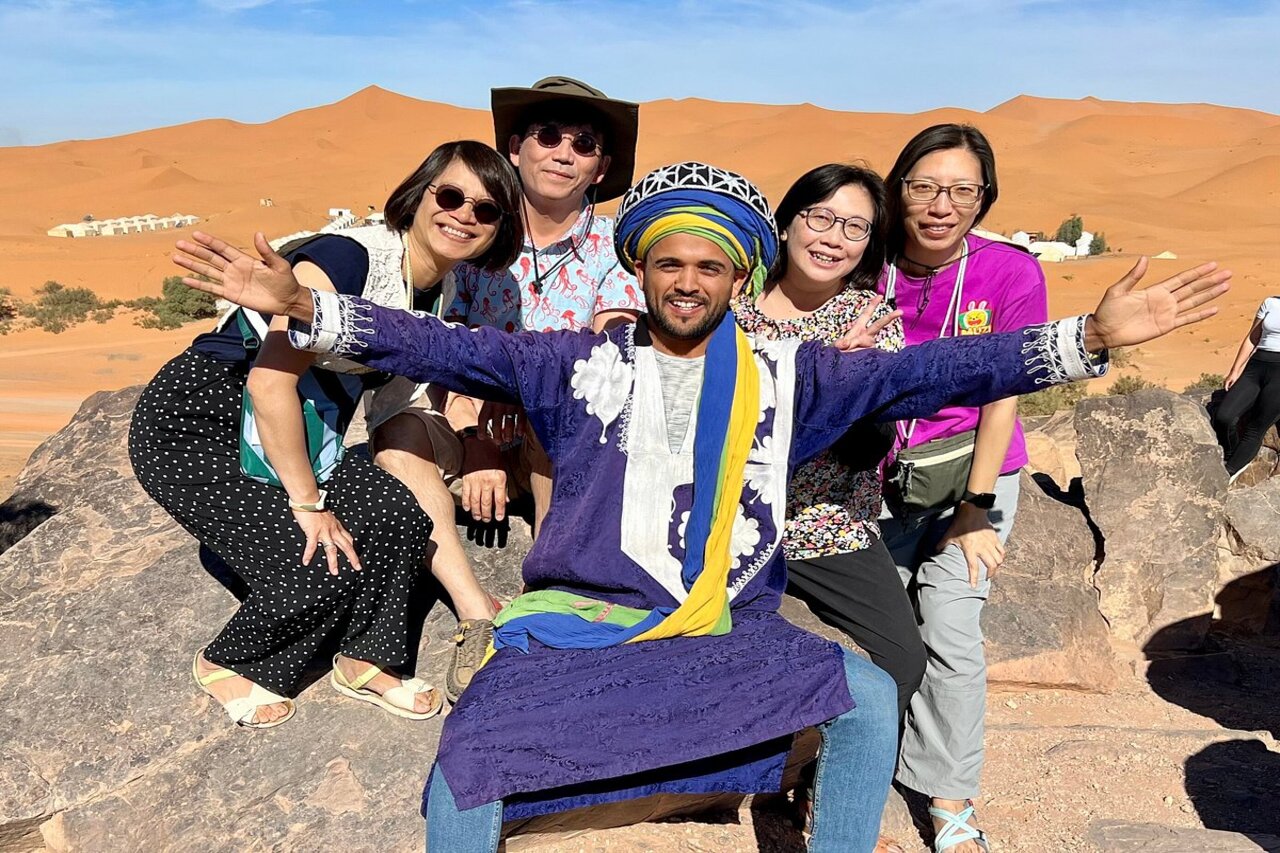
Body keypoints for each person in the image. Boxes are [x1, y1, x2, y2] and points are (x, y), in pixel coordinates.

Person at [171, 161, 1228, 852]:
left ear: (736, 275)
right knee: (470, 759)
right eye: (667, 261)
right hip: (584, 622)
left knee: (862, 692)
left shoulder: (792, 379)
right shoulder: (570, 362)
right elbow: (443, 344)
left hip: (721, 623)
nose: (685, 281)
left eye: (707, 265)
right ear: (644, 268)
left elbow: (935, 369)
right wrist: (308, 307)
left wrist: (1085, 340)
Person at [128, 140, 522, 729]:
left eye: (486, 210)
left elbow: (396, 402)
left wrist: (469, 444)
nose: (464, 215)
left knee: (401, 514)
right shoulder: (346, 258)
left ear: (497, 231)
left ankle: (369, 658)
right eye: (450, 196)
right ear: (418, 197)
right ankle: (228, 661)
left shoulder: (434, 295)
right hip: (203, 422)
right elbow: (267, 385)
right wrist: (309, 506)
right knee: (320, 567)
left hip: (308, 436)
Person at [874, 123, 1047, 852]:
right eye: (924, 185)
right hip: (870, 478)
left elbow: (1006, 389)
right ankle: (855, 763)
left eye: (962, 189)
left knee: (949, 625)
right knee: (871, 631)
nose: (942, 204)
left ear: (984, 197)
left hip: (970, 480)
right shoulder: (863, 261)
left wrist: (975, 511)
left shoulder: (1010, 272)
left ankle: (948, 797)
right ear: (898, 190)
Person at [445, 76, 644, 536]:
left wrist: (527, 388)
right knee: (403, 438)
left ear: (600, 168)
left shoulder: (614, 249)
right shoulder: (473, 229)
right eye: (549, 136)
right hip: (469, 434)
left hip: (561, 440)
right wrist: (476, 441)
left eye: (585, 144)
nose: (562, 153)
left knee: (558, 402)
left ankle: (552, 574)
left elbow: (607, 357)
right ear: (516, 148)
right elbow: (443, 339)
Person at [1213, 294, 1280, 479]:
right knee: (1223, 417)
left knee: (1255, 428)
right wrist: (1235, 370)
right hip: (1256, 368)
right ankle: (1233, 454)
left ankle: (1229, 473)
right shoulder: (1271, 303)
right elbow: (1252, 338)